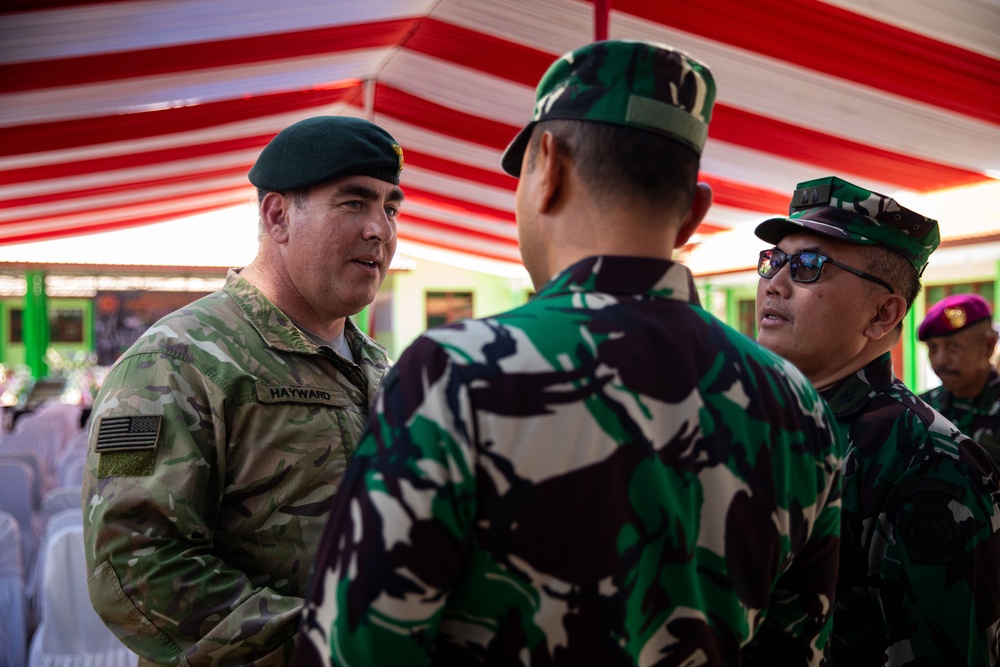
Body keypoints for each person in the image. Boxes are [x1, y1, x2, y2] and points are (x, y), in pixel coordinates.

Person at [296, 40, 843, 666]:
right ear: (693, 214)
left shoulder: (456, 373)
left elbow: (356, 648)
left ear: (547, 166)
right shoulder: (797, 408)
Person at [81, 115, 403, 665]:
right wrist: (326, 644)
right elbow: (133, 565)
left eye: (391, 208)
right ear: (277, 216)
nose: (381, 229)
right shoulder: (176, 361)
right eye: (354, 203)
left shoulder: (379, 369)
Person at [754, 176, 1000, 666]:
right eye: (774, 261)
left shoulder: (926, 460)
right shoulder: (764, 420)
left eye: (808, 267)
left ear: (883, 316)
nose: (775, 283)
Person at [918, 293, 1000, 463]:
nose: (940, 360)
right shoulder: (920, 409)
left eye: (953, 346)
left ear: (988, 346)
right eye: (933, 347)